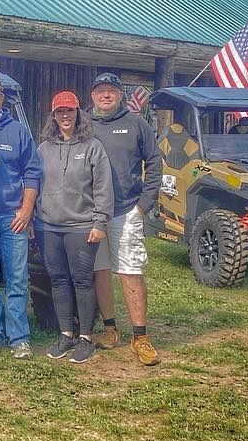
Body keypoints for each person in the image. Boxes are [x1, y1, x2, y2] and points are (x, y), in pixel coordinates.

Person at [88, 72, 162, 366]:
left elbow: (154, 162)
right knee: (100, 271)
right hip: (91, 213)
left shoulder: (136, 124)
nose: (106, 95)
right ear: (92, 96)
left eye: (111, 91)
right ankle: (110, 330)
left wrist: (143, 206)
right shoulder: (83, 123)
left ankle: (140, 336)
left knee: (130, 271)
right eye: (100, 91)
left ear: (121, 95)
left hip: (126, 210)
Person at [37, 91, 113, 364]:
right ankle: (66, 334)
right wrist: (34, 219)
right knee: (58, 280)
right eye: (60, 112)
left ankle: (86, 338)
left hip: (82, 226)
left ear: (78, 113)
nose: (65, 116)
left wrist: (100, 221)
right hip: (49, 226)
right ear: (53, 116)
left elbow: (103, 186)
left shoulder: (93, 146)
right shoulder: (43, 149)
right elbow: (34, 185)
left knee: (82, 281)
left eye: (70, 111)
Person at [0, 74, 43, 359]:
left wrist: (27, 210)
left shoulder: (18, 130)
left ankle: (19, 337)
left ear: (2, 98)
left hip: (13, 217)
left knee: (17, 280)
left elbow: (33, 172)